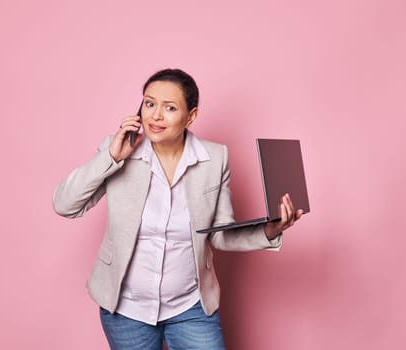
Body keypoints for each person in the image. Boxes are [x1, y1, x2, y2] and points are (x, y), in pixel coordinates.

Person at [53, 68, 303, 350]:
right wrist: (112, 157)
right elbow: (65, 205)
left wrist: (270, 229)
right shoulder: (119, 149)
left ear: (191, 116)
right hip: (126, 309)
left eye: (169, 107)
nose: (155, 115)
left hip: (190, 308)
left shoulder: (214, 158)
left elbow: (219, 234)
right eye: (149, 103)